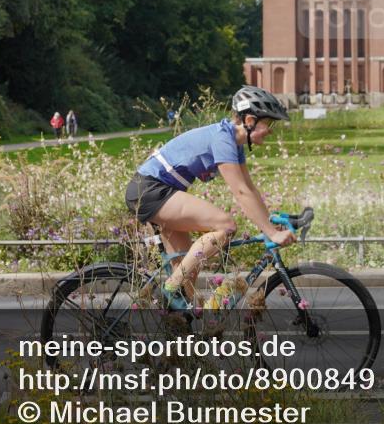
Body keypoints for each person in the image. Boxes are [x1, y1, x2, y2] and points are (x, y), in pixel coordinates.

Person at [124, 85, 295, 310]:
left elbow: (250, 189)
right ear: (250, 120)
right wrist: (271, 233)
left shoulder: (233, 142)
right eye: (268, 123)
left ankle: (178, 321)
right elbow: (240, 192)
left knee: (186, 279)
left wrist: (268, 223)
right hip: (151, 190)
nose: (270, 131)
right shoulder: (223, 139)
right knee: (225, 225)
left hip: (159, 191)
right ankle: (170, 287)